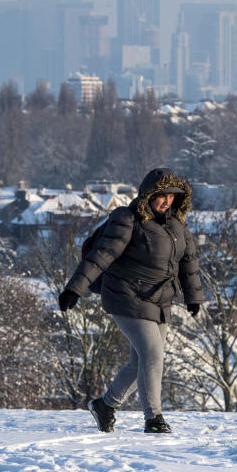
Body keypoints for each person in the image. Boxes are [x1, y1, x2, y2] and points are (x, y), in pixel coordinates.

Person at [58, 167, 204, 434]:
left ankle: (105, 405)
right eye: (162, 196)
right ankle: (153, 419)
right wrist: (74, 289)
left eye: (172, 197)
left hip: (159, 302)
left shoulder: (177, 226)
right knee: (153, 355)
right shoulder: (127, 219)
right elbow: (101, 256)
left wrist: (193, 297)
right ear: (148, 194)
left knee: (139, 362)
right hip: (125, 296)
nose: (167, 201)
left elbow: (188, 264)